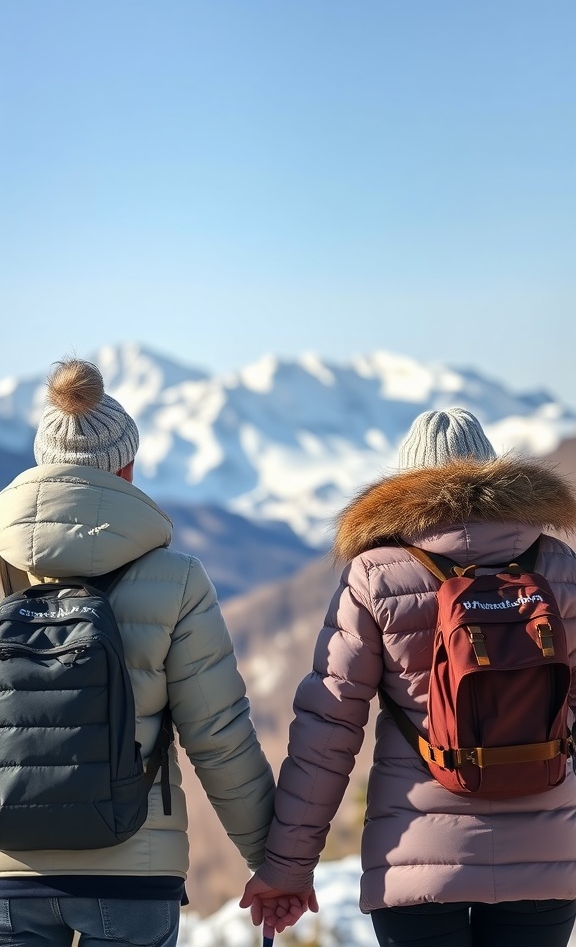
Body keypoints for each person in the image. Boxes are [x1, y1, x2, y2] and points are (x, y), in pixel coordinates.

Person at [241, 407, 576, 947]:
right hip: (548, 857)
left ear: (404, 488)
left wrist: (288, 866)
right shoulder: (560, 567)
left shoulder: (377, 575)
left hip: (414, 858)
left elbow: (328, 731)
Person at [0, 357, 275, 947]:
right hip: (132, 863)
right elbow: (218, 733)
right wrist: (272, 859)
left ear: (41, 465)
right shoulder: (175, 578)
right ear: (125, 467)